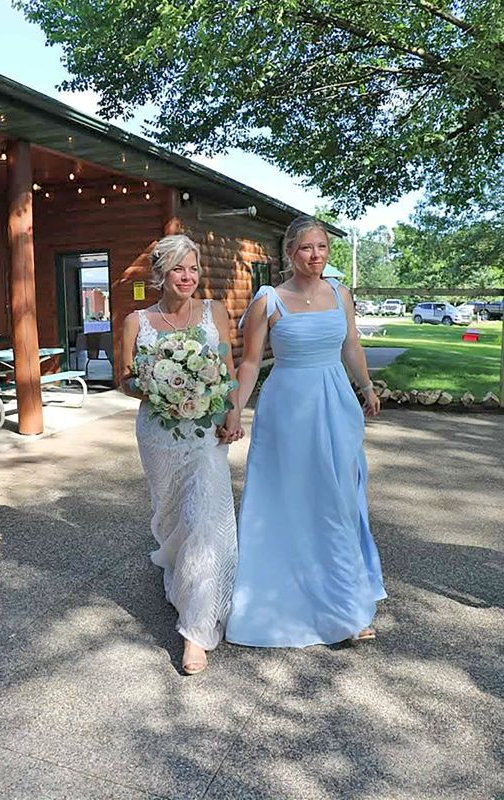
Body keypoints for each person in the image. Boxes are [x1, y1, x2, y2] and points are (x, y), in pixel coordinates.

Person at [225, 216, 386, 648]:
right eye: (305, 249)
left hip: (335, 405)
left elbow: (351, 344)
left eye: (322, 247)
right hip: (287, 411)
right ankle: (290, 595)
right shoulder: (268, 301)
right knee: (292, 500)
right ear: (289, 254)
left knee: (337, 500)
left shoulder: (341, 293)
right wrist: (236, 410)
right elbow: (250, 363)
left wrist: (366, 386)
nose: (315, 256)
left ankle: (347, 603)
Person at [121, 234, 242, 674]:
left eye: (192, 268)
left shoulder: (215, 313)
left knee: (204, 522)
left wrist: (232, 413)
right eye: (178, 269)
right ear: (161, 275)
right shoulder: (138, 321)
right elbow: (124, 381)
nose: (187, 277)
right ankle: (180, 574)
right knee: (173, 516)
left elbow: (227, 372)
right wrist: (157, 382)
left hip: (206, 434)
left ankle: (195, 631)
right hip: (159, 434)